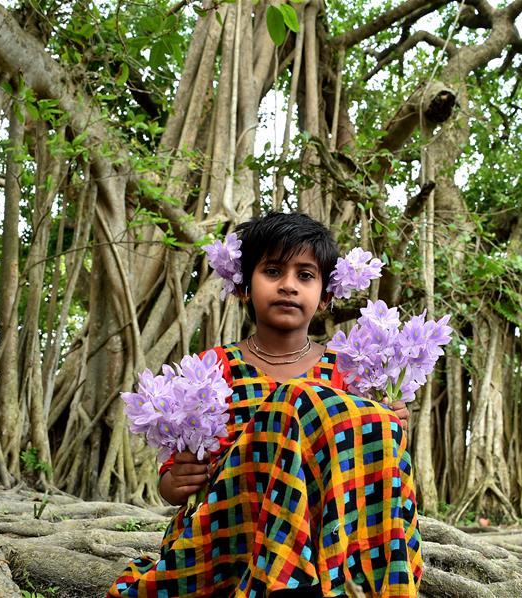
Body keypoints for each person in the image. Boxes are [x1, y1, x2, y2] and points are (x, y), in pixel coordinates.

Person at [108, 212, 422, 597]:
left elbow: (359, 468)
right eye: (273, 271)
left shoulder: (346, 370)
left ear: (325, 295)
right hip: (229, 533)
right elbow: (172, 481)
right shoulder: (212, 368)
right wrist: (176, 481)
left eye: (305, 275)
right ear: (244, 287)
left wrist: (385, 426)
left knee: (363, 418)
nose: (288, 285)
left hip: (321, 539)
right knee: (297, 397)